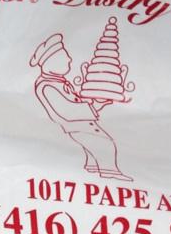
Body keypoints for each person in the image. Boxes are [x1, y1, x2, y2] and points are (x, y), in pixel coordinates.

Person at [30, 33, 132, 181]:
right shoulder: (47, 86)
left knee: (93, 146)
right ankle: (110, 171)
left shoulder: (57, 83)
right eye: (64, 57)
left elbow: (74, 103)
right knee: (105, 145)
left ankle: (91, 168)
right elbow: (67, 109)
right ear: (51, 62)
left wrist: (95, 104)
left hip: (81, 124)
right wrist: (94, 106)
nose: (69, 60)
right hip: (75, 125)